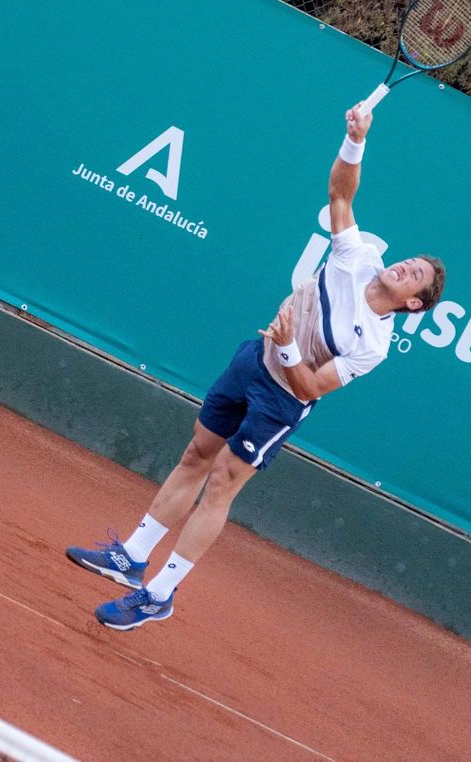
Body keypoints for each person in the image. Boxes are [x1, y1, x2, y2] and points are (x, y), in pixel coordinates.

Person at [65, 104, 445, 631]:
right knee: (196, 452)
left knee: (222, 482)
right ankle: (132, 556)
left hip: (283, 398)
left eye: (415, 275)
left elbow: (313, 386)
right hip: (253, 360)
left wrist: (290, 349)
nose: (405, 266)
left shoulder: (373, 344)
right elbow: (340, 192)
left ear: (414, 304)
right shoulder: (358, 256)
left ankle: (160, 594)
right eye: (411, 261)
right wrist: (355, 140)